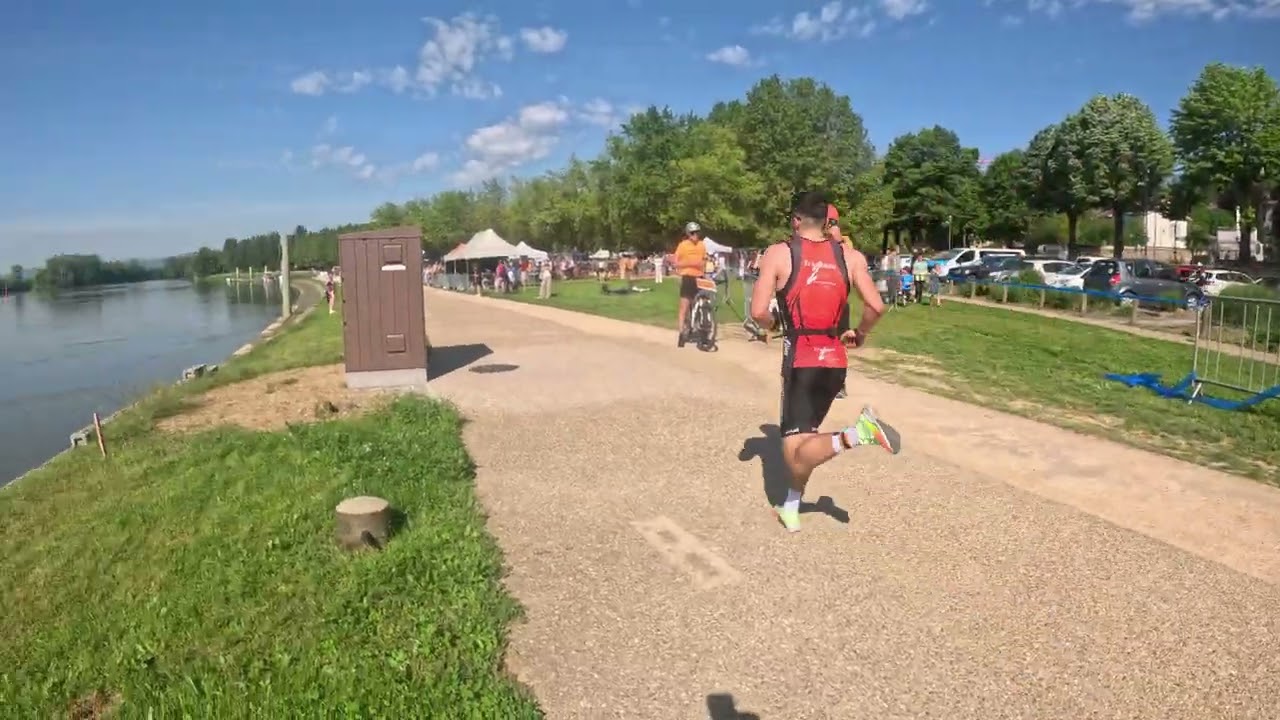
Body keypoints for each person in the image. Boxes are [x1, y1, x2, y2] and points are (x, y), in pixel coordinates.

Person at [750, 191, 901, 533]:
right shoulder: (851, 257)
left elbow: (758, 311)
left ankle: (857, 434)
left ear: (796, 220)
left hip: (801, 358)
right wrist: (860, 333)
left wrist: (773, 325)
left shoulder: (779, 253)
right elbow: (876, 306)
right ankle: (791, 506)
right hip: (835, 360)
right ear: (826, 221)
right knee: (805, 443)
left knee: (794, 452)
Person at [673, 221, 708, 347]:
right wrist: (690, 264)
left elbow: (704, 260)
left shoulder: (702, 245)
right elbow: (676, 263)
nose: (695, 235)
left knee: (702, 307)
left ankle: (704, 333)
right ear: (688, 234)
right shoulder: (683, 245)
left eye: (697, 232)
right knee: (684, 307)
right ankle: (682, 333)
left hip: (700, 277)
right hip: (687, 277)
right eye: (692, 233)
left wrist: (705, 265)